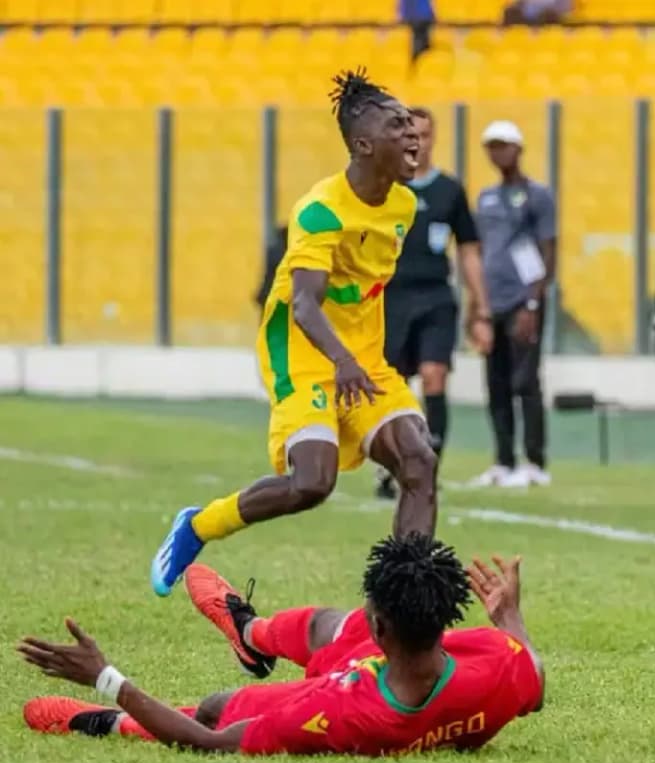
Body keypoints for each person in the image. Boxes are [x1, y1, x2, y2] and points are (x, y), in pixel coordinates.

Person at [149, 68, 439, 598]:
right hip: (303, 353)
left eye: (413, 123)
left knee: (419, 462)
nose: (414, 132)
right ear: (364, 144)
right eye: (399, 125)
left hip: (364, 358)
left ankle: (404, 602)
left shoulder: (402, 204)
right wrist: (342, 362)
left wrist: (361, 358)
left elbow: (364, 290)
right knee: (312, 483)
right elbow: (305, 304)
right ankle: (198, 526)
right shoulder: (320, 209)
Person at [19, 533, 544, 756]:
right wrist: (510, 619)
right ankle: (251, 634)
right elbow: (533, 684)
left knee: (215, 709)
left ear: (382, 630)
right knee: (332, 627)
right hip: (403, 668)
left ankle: (108, 722)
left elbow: (209, 745)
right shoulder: (499, 661)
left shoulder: (338, 713)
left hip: (361, 685)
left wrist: (107, 679)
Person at [376, 106, 493, 500]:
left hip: (435, 297)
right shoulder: (385, 189)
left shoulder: (449, 191)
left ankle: (428, 464)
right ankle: (392, 466)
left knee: (434, 377)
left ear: (433, 138)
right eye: (410, 135)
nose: (417, 143)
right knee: (395, 386)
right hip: (390, 298)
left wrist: (481, 307)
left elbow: (470, 251)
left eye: (424, 135)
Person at [471, 120, 557, 488]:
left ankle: (534, 461)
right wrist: (476, 307)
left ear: (518, 149)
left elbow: (547, 250)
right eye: (492, 146)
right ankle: (503, 460)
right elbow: (476, 251)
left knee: (526, 381)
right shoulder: (485, 198)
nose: (498, 152)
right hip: (494, 301)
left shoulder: (537, 196)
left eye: (504, 145)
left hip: (523, 301)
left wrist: (534, 305)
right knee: (496, 383)